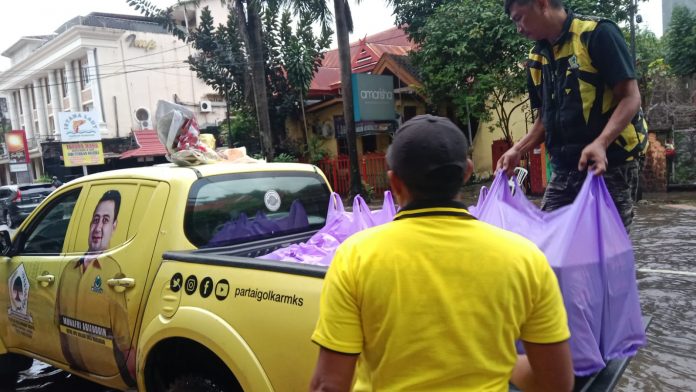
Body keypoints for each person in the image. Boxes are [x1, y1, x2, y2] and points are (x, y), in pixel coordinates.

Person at [309, 115, 574, 391]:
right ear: (467, 172)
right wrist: (498, 363)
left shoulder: (354, 257)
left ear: (395, 183)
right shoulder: (525, 258)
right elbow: (557, 383)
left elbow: (329, 384)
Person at [498, 0, 648, 231]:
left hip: (610, 163)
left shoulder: (596, 34)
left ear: (542, 4)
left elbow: (630, 97)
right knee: (549, 244)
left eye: (519, 18)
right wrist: (518, 149)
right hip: (565, 167)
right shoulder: (536, 59)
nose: (519, 28)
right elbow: (544, 119)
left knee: (605, 248)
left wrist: (601, 143)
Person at [55, 190, 135, 387]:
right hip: (76, 376)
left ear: (114, 226)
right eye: (95, 219)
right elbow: (58, 327)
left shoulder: (113, 272)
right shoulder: (68, 270)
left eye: (106, 220)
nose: (98, 227)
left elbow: (126, 347)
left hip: (109, 379)